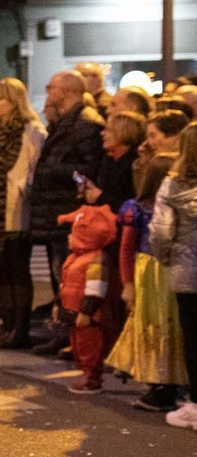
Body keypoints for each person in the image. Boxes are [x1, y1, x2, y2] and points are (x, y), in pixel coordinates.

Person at [28, 70, 106, 356]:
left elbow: (89, 169)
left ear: (66, 91)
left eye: (52, 87)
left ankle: (75, 338)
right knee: (60, 278)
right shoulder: (66, 122)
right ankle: (64, 334)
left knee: (70, 280)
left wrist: (53, 171)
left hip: (69, 212)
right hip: (55, 211)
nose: (47, 90)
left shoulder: (85, 124)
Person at [0, 78, 45, 347]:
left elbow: (34, 171)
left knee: (16, 269)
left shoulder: (31, 130)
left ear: (15, 101)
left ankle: (18, 328)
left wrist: (20, 188)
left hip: (14, 209)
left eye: (0, 98)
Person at [110, 157, 186, 412]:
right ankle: (158, 384)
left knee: (173, 328)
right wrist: (127, 284)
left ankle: (174, 383)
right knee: (153, 327)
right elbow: (126, 249)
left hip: (171, 271)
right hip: (151, 275)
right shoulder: (137, 209)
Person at [152, 127, 197, 428]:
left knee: (193, 338)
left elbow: (161, 230)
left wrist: (165, 258)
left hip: (189, 272)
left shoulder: (174, 184)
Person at [55, 201, 120, 394]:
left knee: (90, 347)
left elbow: (96, 289)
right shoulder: (75, 257)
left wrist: (87, 310)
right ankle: (87, 373)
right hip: (73, 311)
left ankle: (92, 377)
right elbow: (64, 284)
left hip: (87, 315)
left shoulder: (95, 258)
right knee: (78, 345)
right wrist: (59, 304)